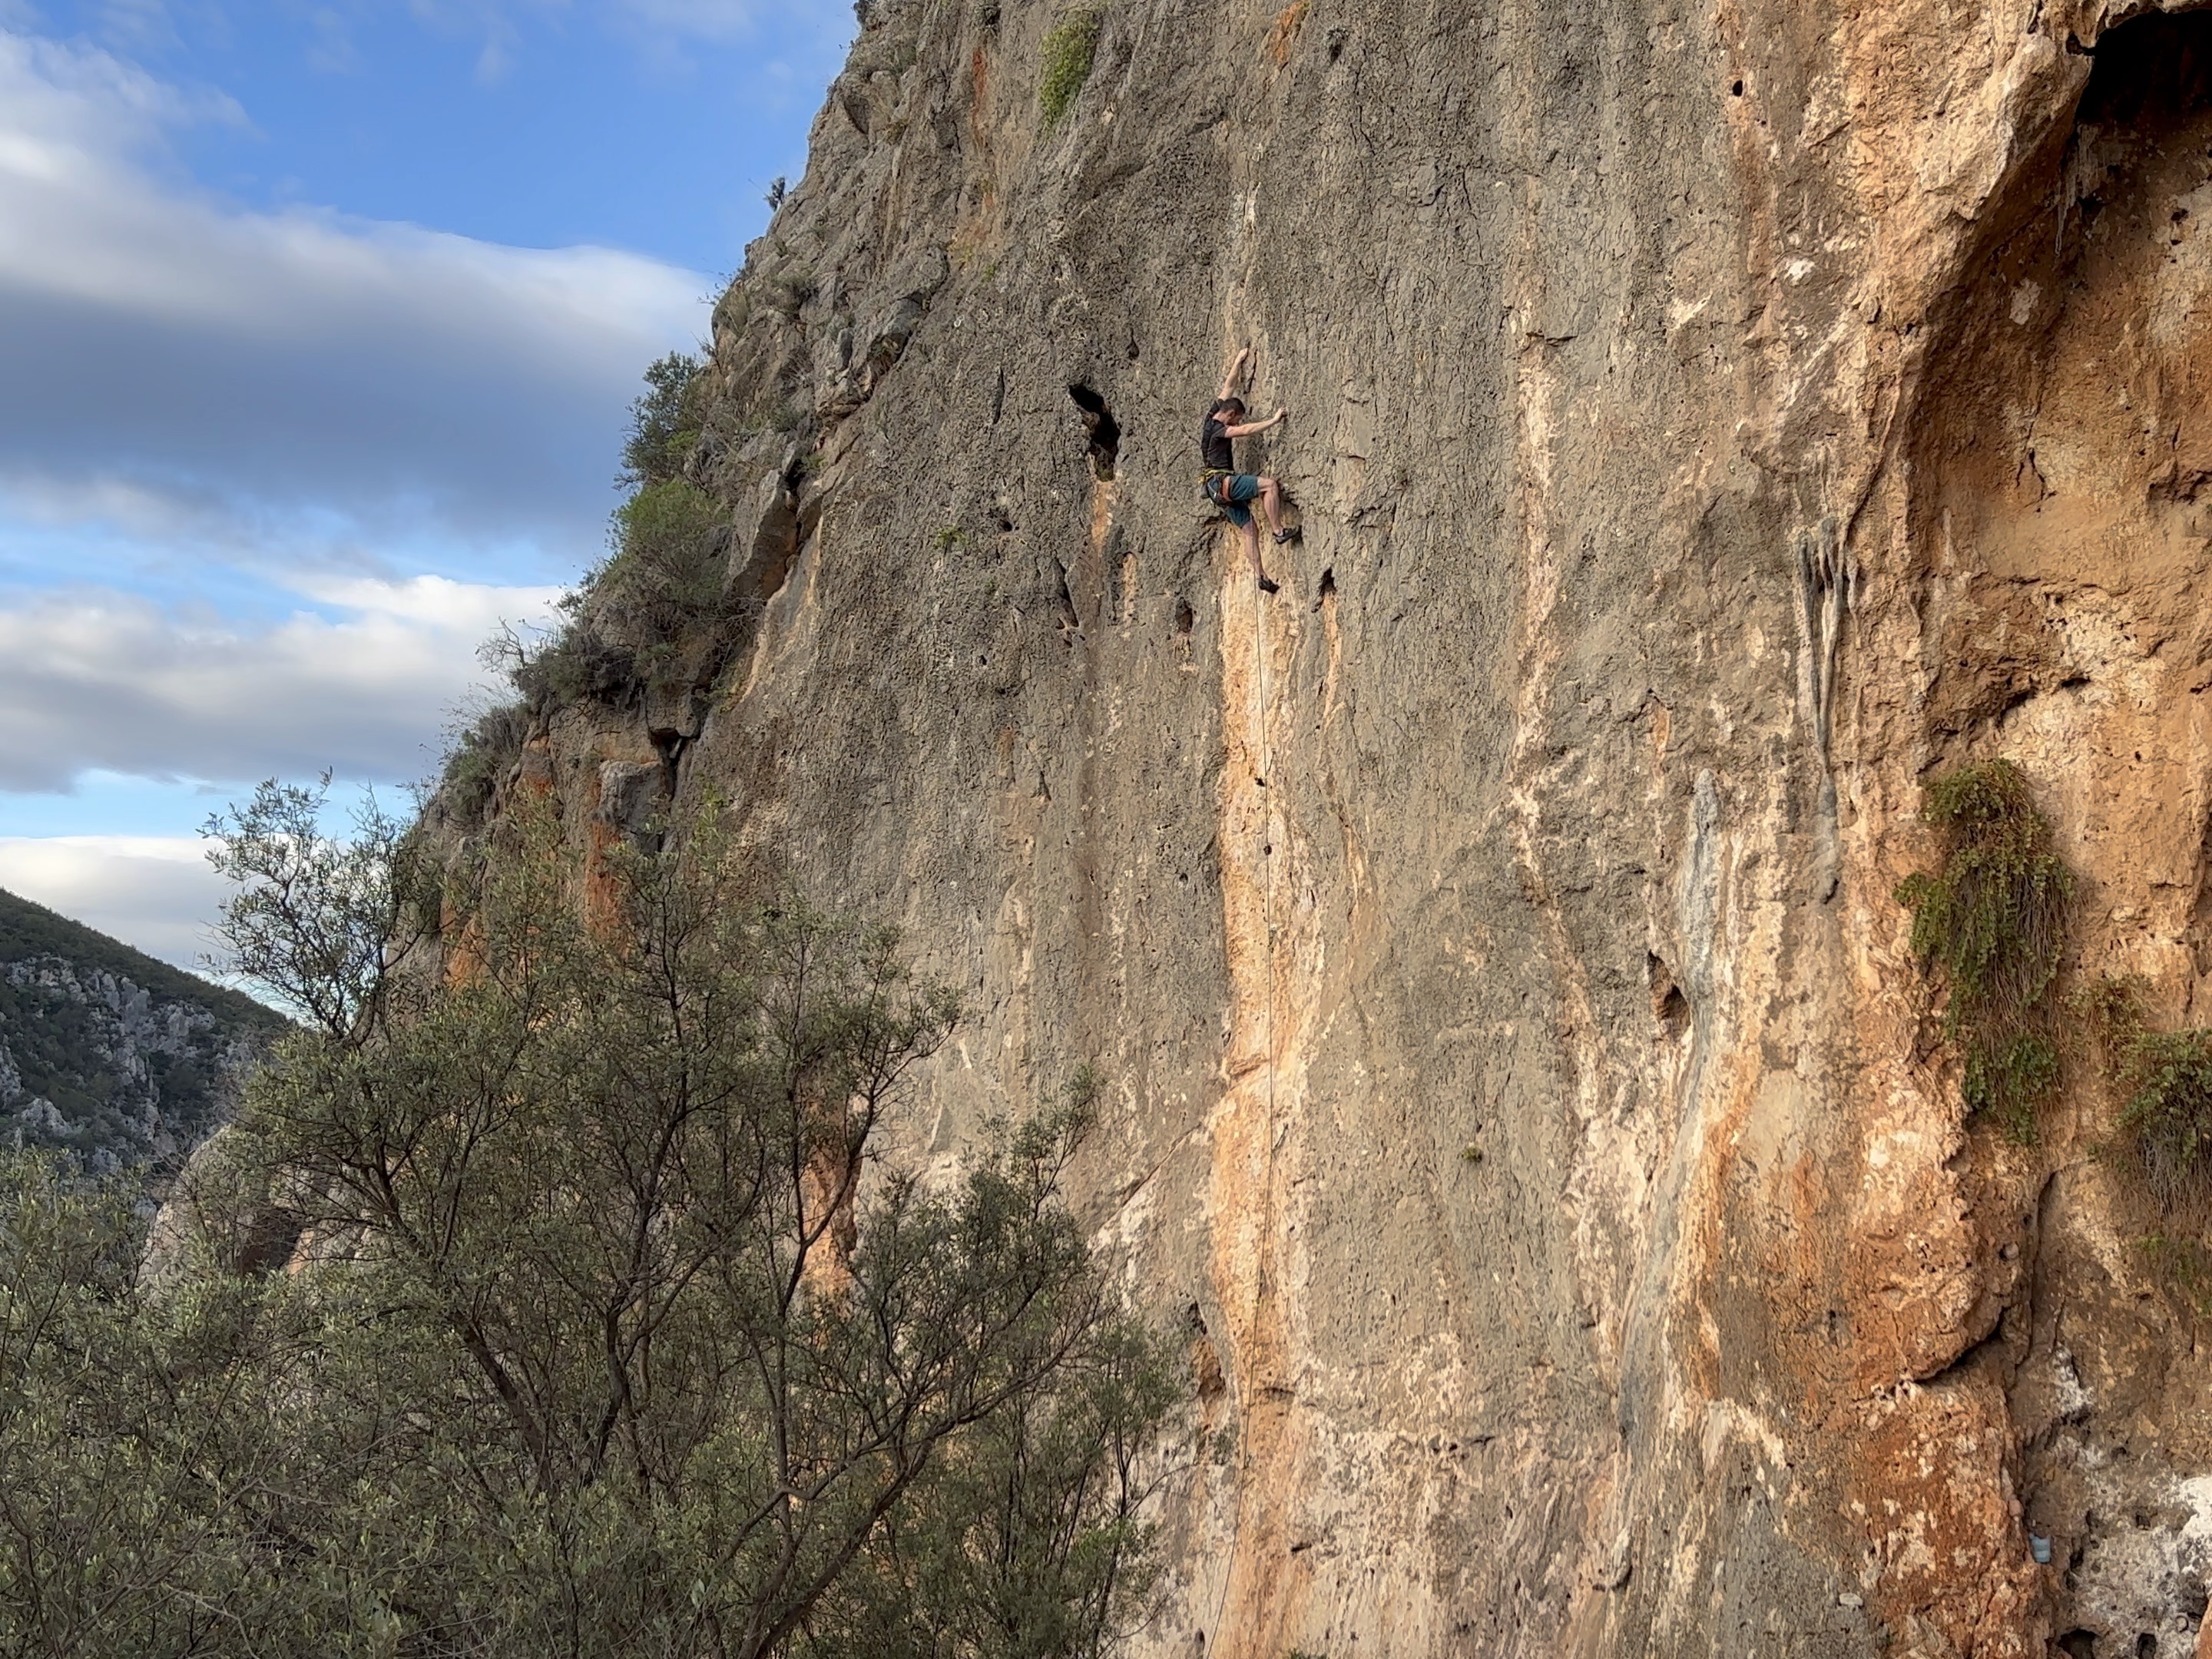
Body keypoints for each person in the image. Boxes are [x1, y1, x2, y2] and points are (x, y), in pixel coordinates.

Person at [1201, 346, 1291, 593]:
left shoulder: (1211, 417)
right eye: (1237, 418)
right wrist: (1273, 421)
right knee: (1269, 485)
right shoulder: (1220, 430)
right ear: (1230, 415)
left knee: (1249, 529)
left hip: (1216, 492)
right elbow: (1244, 431)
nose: (1238, 422)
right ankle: (1279, 531)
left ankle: (1261, 577)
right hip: (1223, 482)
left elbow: (1228, 388)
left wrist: (1238, 361)